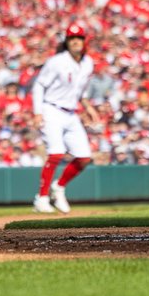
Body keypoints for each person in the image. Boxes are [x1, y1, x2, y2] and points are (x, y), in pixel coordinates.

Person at [30, 23, 97, 214]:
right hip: (52, 109)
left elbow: (80, 90)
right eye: (72, 38)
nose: (76, 41)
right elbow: (39, 86)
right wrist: (37, 112)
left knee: (84, 158)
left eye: (79, 38)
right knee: (56, 153)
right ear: (67, 42)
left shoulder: (88, 62)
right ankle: (41, 198)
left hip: (71, 112)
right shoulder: (57, 61)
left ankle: (58, 187)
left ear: (84, 41)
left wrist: (88, 107)